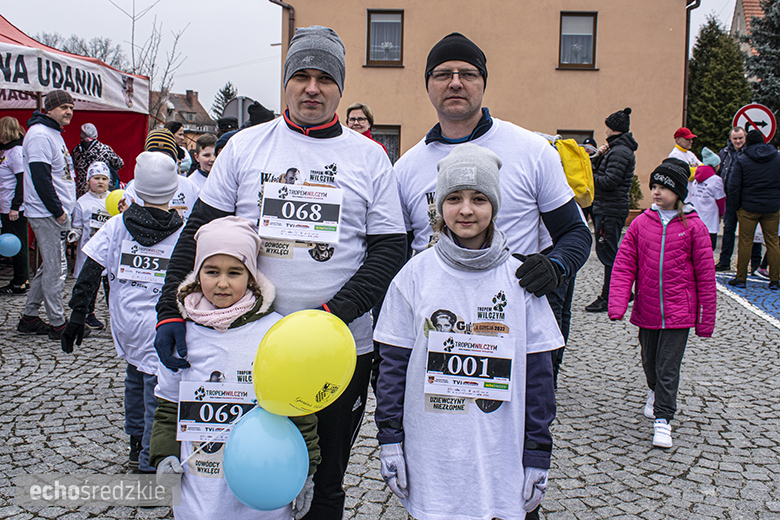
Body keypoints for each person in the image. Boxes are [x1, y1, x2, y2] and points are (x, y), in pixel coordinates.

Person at [153, 25, 407, 520]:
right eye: (302, 76)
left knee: (324, 479)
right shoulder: (246, 147)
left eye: (325, 79)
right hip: (241, 342)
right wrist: (169, 309)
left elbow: (389, 248)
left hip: (336, 350)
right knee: (233, 476)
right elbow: (197, 233)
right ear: (286, 81)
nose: (312, 88)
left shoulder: (369, 156)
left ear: (340, 87)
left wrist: (334, 316)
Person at [374, 143, 560, 520]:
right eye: (454, 198)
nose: (466, 210)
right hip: (433, 448)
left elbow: (540, 373)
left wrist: (538, 451)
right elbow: (392, 364)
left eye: (479, 198)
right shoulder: (415, 275)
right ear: (439, 206)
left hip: (500, 451)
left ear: (494, 206)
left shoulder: (520, 278)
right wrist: (390, 438)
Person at [393, 31, 591, 305]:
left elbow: (575, 232)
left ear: (484, 82)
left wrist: (555, 266)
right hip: (436, 317)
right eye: (442, 74)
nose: (455, 83)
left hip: (510, 315)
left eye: (468, 74)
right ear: (427, 84)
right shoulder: (405, 168)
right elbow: (395, 255)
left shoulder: (532, 151)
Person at [150, 216, 321, 520]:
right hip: (199, 492)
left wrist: (306, 471)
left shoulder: (275, 333)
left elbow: (299, 409)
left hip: (262, 489)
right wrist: (164, 457)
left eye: (235, 272)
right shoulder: (182, 334)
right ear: (197, 273)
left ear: (252, 276)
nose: (223, 283)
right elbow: (167, 406)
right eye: (212, 271)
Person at [61, 151, 184, 473]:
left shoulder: (117, 226)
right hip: (163, 321)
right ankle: (148, 460)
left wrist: (77, 314)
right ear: (174, 191)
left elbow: (90, 271)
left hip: (127, 323)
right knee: (157, 390)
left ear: (134, 189)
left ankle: (134, 445)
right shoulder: (182, 234)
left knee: (134, 377)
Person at [608, 160, 716, 448]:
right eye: (653, 186)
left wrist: (706, 320)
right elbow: (623, 265)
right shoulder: (641, 223)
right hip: (648, 310)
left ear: (679, 192)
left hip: (680, 313)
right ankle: (654, 391)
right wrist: (617, 302)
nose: (656, 192)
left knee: (668, 366)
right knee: (650, 361)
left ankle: (663, 419)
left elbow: (706, 276)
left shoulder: (694, 227)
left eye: (663, 187)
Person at [16, 89, 77, 340]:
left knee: (49, 266)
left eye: (71, 107)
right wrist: (58, 211)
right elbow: (40, 177)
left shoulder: (53, 133)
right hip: (47, 213)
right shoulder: (40, 135)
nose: (69, 111)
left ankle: (29, 317)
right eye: (63, 107)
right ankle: (57, 323)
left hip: (55, 212)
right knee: (56, 268)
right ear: (49, 108)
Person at [584, 108, 638, 313]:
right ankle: (622, 291)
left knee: (609, 254)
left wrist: (590, 176)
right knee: (608, 251)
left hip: (610, 208)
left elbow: (609, 181)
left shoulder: (620, 152)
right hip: (607, 207)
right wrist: (599, 156)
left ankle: (610, 296)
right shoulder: (615, 150)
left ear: (612, 128)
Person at [727, 129, 780, 290]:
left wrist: (736, 205)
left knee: (745, 242)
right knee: (773, 242)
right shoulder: (777, 158)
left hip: (748, 207)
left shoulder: (743, 159)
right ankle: (775, 280)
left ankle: (741, 278)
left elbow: (733, 186)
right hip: (772, 207)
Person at [67, 161, 113, 330]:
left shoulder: (114, 199)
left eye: (104, 178)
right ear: (88, 181)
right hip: (89, 252)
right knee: (90, 284)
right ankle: (87, 313)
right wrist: (74, 235)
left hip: (110, 251)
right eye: (96, 178)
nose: (100, 182)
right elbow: (78, 225)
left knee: (111, 285)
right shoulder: (82, 203)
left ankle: (115, 314)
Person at [122, 129, 200, 223]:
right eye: (154, 155)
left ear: (174, 159)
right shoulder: (134, 188)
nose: (159, 160)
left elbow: (199, 218)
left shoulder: (189, 186)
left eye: (166, 155)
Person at [0, 116, 29, 294]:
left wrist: (15, 207)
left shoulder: (17, 151)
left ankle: (20, 281)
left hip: (13, 208)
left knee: (17, 244)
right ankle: (20, 279)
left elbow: (22, 180)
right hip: (4, 205)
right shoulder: (6, 151)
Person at [715, 126, 747, 271]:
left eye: (740, 138)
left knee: (749, 233)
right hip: (728, 197)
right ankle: (725, 261)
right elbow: (720, 171)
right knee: (728, 229)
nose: (738, 141)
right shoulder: (724, 152)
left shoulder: (749, 153)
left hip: (745, 198)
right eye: (735, 138)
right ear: (731, 139)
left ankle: (753, 263)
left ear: (745, 137)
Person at [686, 147, 726, 250]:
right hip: (710, 220)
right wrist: (722, 214)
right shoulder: (716, 180)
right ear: (716, 165)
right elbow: (720, 200)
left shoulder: (696, 179)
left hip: (697, 219)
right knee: (709, 248)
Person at [71, 123, 124, 195]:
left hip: (82, 190)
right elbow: (119, 164)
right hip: (101, 189)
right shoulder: (104, 149)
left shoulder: (75, 150)